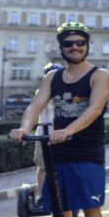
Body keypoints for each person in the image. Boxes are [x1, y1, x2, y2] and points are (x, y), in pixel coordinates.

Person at [9, 21, 109, 217]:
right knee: (60, 208)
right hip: (59, 151)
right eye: (68, 44)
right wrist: (24, 128)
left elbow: (95, 109)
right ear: (61, 48)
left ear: (87, 46)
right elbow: (35, 106)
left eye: (80, 43)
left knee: (90, 206)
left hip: (87, 150)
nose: (74, 47)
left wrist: (68, 130)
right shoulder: (53, 77)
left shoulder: (99, 75)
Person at [30, 62, 64, 204]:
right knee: (43, 166)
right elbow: (34, 110)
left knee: (62, 166)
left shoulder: (65, 92)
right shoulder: (41, 92)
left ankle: (62, 193)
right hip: (44, 133)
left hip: (62, 134)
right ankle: (41, 195)